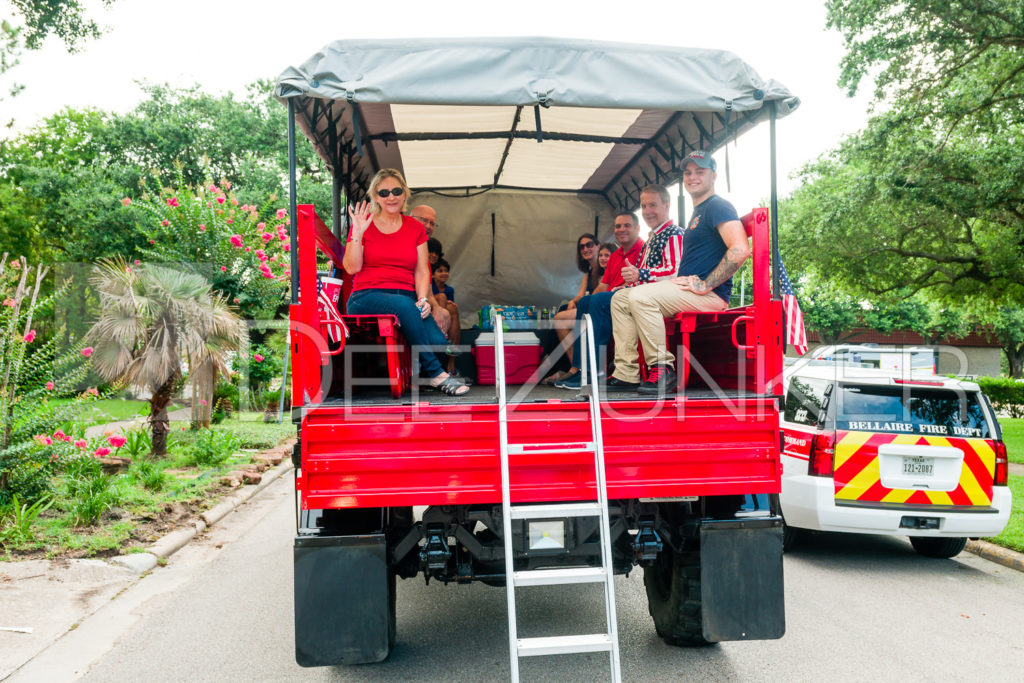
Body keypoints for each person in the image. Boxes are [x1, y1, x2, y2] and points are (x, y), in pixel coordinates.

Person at [608, 150, 749, 396]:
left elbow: (740, 250)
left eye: (700, 172)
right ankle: (626, 373)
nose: (693, 177)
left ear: (714, 175)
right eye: (688, 173)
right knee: (619, 299)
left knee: (641, 297)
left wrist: (706, 284)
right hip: (686, 289)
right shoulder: (699, 211)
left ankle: (663, 369)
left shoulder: (718, 206)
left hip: (710, 295)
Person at [342, 168, 468, 396]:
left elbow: (421, 272)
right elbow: (352, 268)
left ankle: (423, 375)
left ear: (404, 194)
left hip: (408, 297)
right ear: (376, 197)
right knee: (403, 306)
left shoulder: (415, 228)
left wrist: (423, 299)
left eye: (396, 190)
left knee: (439, 342)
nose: (390, 196)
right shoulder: (363, 224)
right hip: (366, 296)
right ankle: (437, 375)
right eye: (384, 192)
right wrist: (357, 233)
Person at [553, 211, 644, 389]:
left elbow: (646, 279)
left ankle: (593, 371)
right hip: (611, 299)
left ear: (637, 228)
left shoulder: (644, 249)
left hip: (630, 298)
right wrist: (589, 300)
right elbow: (604, 285)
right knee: (587, 302)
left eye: (627, 225)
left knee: (597, 301)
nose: (621, 229)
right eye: (618, 226)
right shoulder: (616, 255)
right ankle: (580, 368)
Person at [550, 233, 602, 364]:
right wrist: (573, 301)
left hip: (598, 310)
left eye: (589, 245)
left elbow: (598, 294)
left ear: (598, 246)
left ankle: (574, 366)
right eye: (582, 247)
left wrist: (579, 301)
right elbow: (580, 295)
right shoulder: (588, 272)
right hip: (589, 306)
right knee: (564, 307)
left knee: (560, 319)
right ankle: (565, 364)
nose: (585, 249)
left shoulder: (604, 268)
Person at [431, 258, 462, 374]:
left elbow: (451, 304)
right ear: (432, 275)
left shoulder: (450, 289)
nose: (444, 273)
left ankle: (444, 332)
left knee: (448, 304)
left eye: (446, 271)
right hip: (433, 312)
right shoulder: (431, 287)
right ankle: (442, 333)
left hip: (445, 316)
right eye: (440, 271)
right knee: (441, 297)